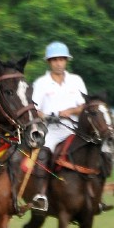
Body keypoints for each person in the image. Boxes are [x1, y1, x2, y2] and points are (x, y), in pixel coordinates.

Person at [29, 41, 87, 213]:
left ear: (66, 61)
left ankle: (95, 195)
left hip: (74, 129)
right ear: (49, 62)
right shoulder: (41, 83)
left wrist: (71, 110)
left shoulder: (76, 81)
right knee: (44, 154)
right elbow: (33, 108)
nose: (59, 63)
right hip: (52, 131)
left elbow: (85, 105)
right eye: (55, 60)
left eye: (62, 59)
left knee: (96, 150)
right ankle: (41, 194)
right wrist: (47, 116)